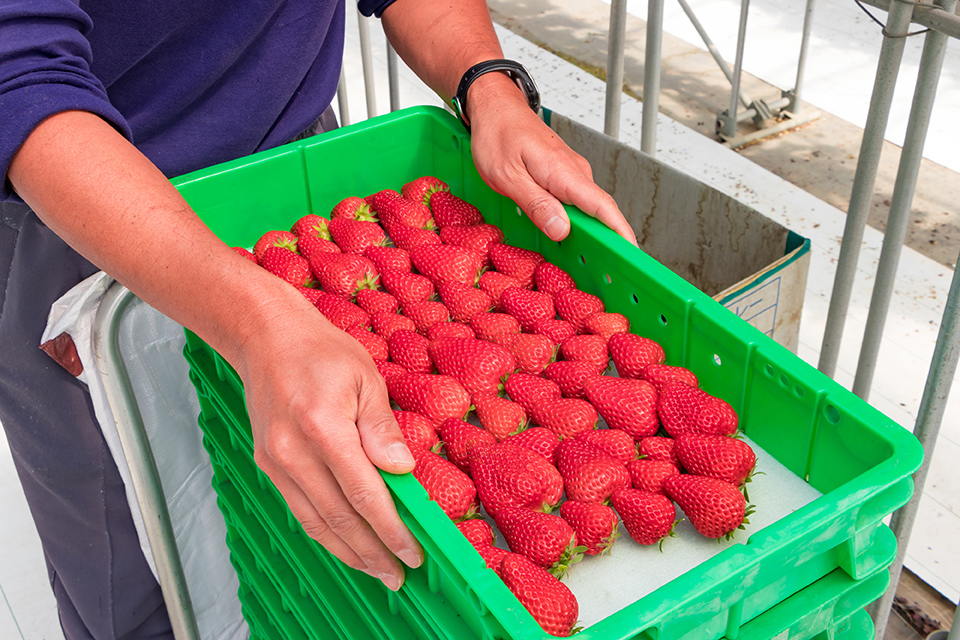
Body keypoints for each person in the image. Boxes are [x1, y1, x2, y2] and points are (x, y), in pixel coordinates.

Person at [0, 0, 638, 637]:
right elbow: (17, 73)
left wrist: (487, 83)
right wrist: (256, 320)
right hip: (83, 219)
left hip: (298, 164)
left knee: (304, 558)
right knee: (146, 574)